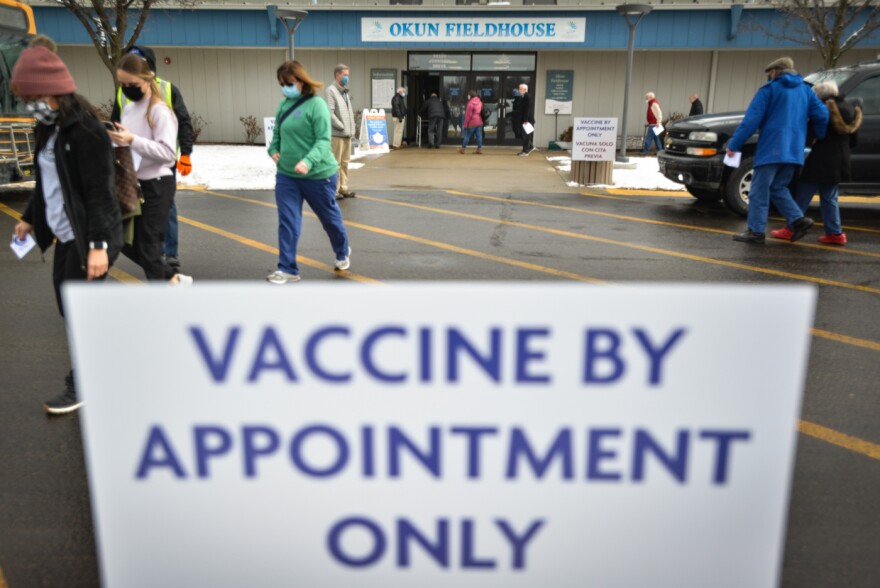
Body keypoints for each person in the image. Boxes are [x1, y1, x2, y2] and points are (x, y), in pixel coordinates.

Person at [11, 47, 123, 414]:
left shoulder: (87, 130)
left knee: (78, 309)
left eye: (32, 98)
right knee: (70, 305)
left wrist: (98, 246)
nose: (29, 105)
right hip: (66, 234)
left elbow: (100, 194)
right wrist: (30, 218)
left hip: (89, 236)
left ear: (52, 91)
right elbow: (48, 184)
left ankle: (84, 383)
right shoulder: (47, 127)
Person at [726, 57, 829, 244]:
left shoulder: (769, 90)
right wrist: (817, 136)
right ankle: (798, 219)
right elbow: (822, 114)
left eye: (770, 74)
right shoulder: (806, 90)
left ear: (775, 72)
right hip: (794, 150)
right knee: (778, 187)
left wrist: (734, 145)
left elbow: (751, 121)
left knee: (759, 190)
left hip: (771, 148)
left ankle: (756, 231)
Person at [109, 54, 192, 284]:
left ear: (148, 79)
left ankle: (164, 300)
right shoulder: (130, 109)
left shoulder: (159, 110)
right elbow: (129, 143)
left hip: (157, 184)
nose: (126, 89)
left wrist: (132, 139)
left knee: (149, 247)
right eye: (122, 84)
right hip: (135, 183)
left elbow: (167, 153)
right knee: (123, 240)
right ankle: (174, 281)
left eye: (131, 85)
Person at [267, 60, 351, 284]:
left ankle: (342, 251)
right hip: (287, 176)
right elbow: (277, 134)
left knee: (329, 220)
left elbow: (324, 140)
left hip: (319, 175)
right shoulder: (284, 105)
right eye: (282, 84)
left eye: (289, 83)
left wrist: (308, 161)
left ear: (302, 81)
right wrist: (273, 149)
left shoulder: (317, 105)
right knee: (288, 221)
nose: (285, 87)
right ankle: (287, 269)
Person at [771, 81, 861, 245]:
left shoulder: (822, 109)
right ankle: (835, 233)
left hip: (820, 159)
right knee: (829, 197)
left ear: (820, 96)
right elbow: (854, 140)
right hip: (840, 160)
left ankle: (792, 227)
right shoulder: (850, 109)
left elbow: (811, 136)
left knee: (804, 193)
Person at [324, 63, 357, 199]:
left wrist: (351, 128)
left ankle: (343, 188)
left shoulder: (344, 92)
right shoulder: (331, 91)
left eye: (347, 75)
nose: (347, 78)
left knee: (345, 162)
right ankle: (334, 190)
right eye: (345, 75)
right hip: (337, 134)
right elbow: (329, 113)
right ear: (337, 75)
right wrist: (342, 126)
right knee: (335, 163)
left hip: (347, 134)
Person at [458, 90, 484, 155]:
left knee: (467, 135)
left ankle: (462, 149)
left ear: (470, 96)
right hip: (479, 121)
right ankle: (479, 149)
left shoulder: (470, 104)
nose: (468, 96)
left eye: (468, 95)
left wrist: (465, 125)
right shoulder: (480, 102)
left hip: (472, 122)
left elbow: (468, 116)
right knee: (479, 136)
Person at [514, 83, 535, 156]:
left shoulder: (527, 97)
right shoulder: (523, 97)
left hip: (527, 120)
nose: (519, 90)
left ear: (525, 89)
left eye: (520, 89)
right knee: (523, 135)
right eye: (519, 89)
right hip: (524, 119)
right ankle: (530, 147)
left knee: (525, 135)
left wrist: (525, 119)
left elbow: (527, 109)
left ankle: (525, 151)